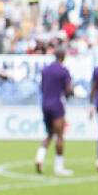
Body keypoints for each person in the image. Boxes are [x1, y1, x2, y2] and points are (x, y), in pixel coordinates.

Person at [36, 48, 73, 176]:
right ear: (63, 57)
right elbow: (68, 90)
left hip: (45, 104)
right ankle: (59, 167)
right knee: (59, 135)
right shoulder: (64, 71)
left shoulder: (45, 70)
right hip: (57, 104)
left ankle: (39, 157)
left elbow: (41, 88)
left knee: (50, 134)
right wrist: (71, 94)